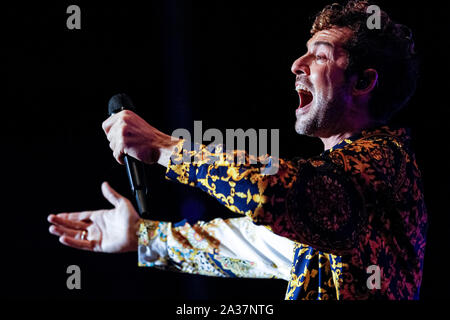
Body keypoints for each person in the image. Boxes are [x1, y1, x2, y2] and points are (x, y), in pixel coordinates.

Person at [48, 1, 427, 300]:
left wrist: (165, 148)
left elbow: (271, 192)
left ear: (363, 82)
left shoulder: (385, 165)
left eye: (321, 55)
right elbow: (246, 244)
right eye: (304, 53)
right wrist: (144, 237)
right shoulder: (329, 210)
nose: (297, 64)